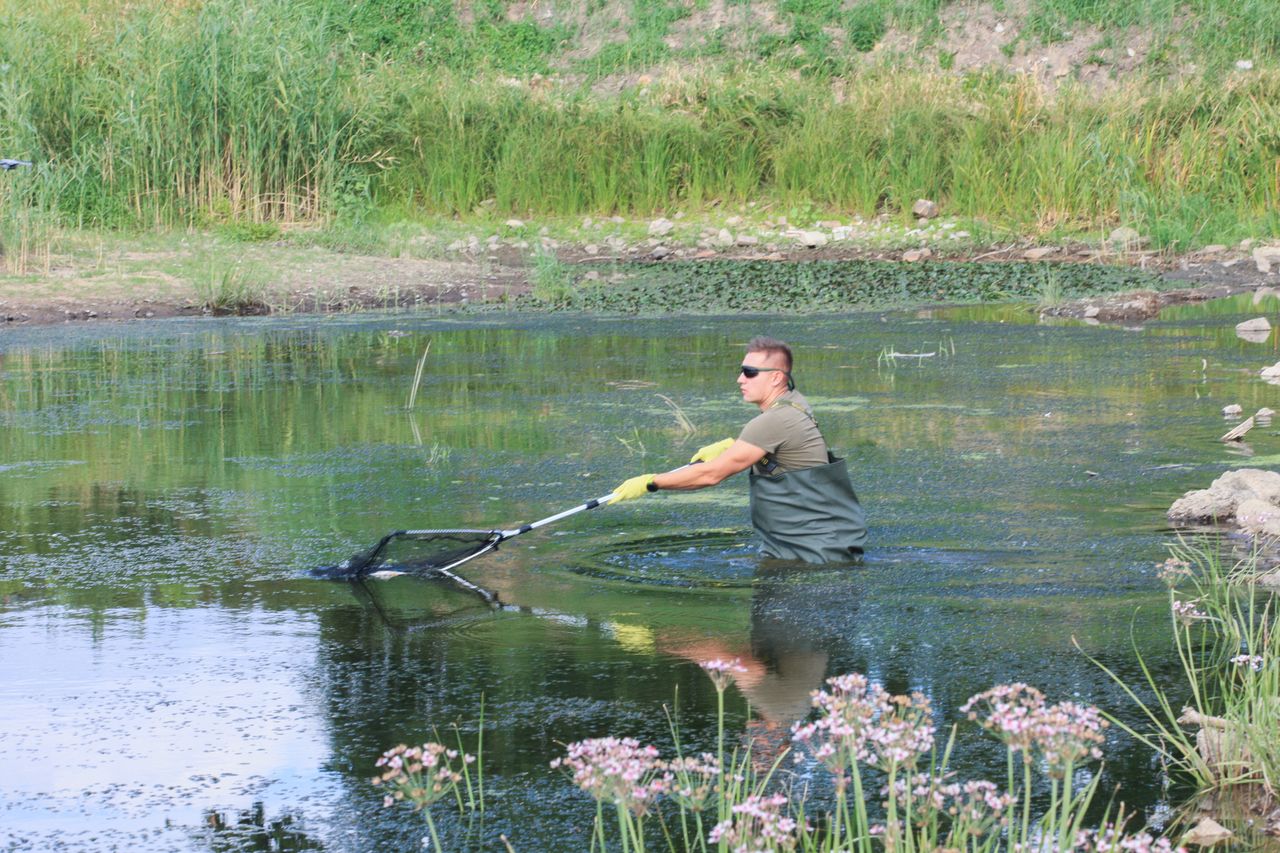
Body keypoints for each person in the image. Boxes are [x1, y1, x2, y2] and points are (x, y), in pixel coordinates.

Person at [611, 336, 866, 563]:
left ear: (776, 377)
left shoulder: (772, 421)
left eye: (750, 372)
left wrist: (650, 483)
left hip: (811, 556)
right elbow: (788, 449)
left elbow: (710, 475)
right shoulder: (795, 403)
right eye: (741, 371)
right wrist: (733, 446)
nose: (740, 379)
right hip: (814, 546)